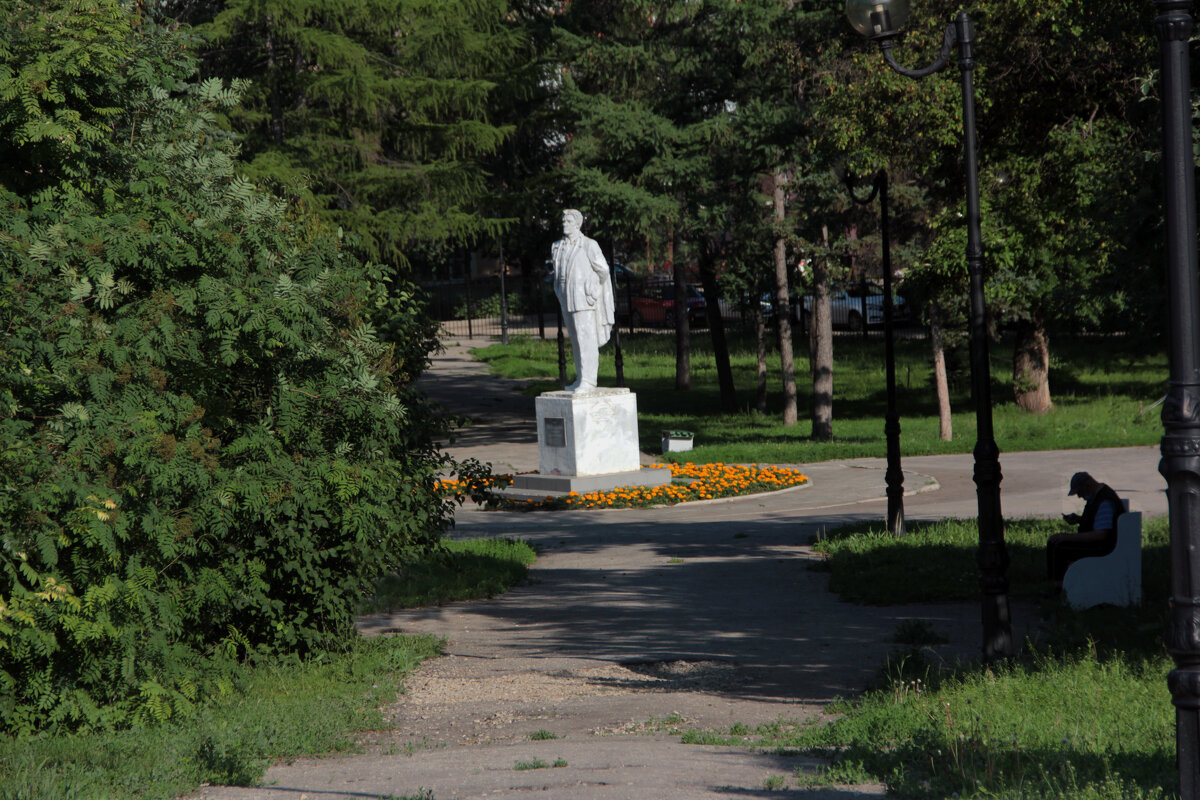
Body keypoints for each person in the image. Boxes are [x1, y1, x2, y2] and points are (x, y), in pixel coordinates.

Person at [550, 209, 614, 393]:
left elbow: (603, 269)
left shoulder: (589, 245)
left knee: (587, 339)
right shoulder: (556, 246)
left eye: (568, 220)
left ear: (577, 224)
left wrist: (591, 288)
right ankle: (581, 378)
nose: (564, 223)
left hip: (584, 299)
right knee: (576, 340)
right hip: (565, 297)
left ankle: (589, 380)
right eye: (563, 220)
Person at [1046, 471, 1126, 588]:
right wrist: (1079, 520)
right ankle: (1055, 583)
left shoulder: (1104, 501)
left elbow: (1101, 534)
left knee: (1059, 546)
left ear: (1087, 486)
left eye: (1079, 492)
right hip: (1099, 544)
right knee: (1054, 542)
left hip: (1102, 547)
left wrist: (1066, 537)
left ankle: (1059, 586)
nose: (1079, 496)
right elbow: (1096, 521)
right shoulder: (1096, 497)